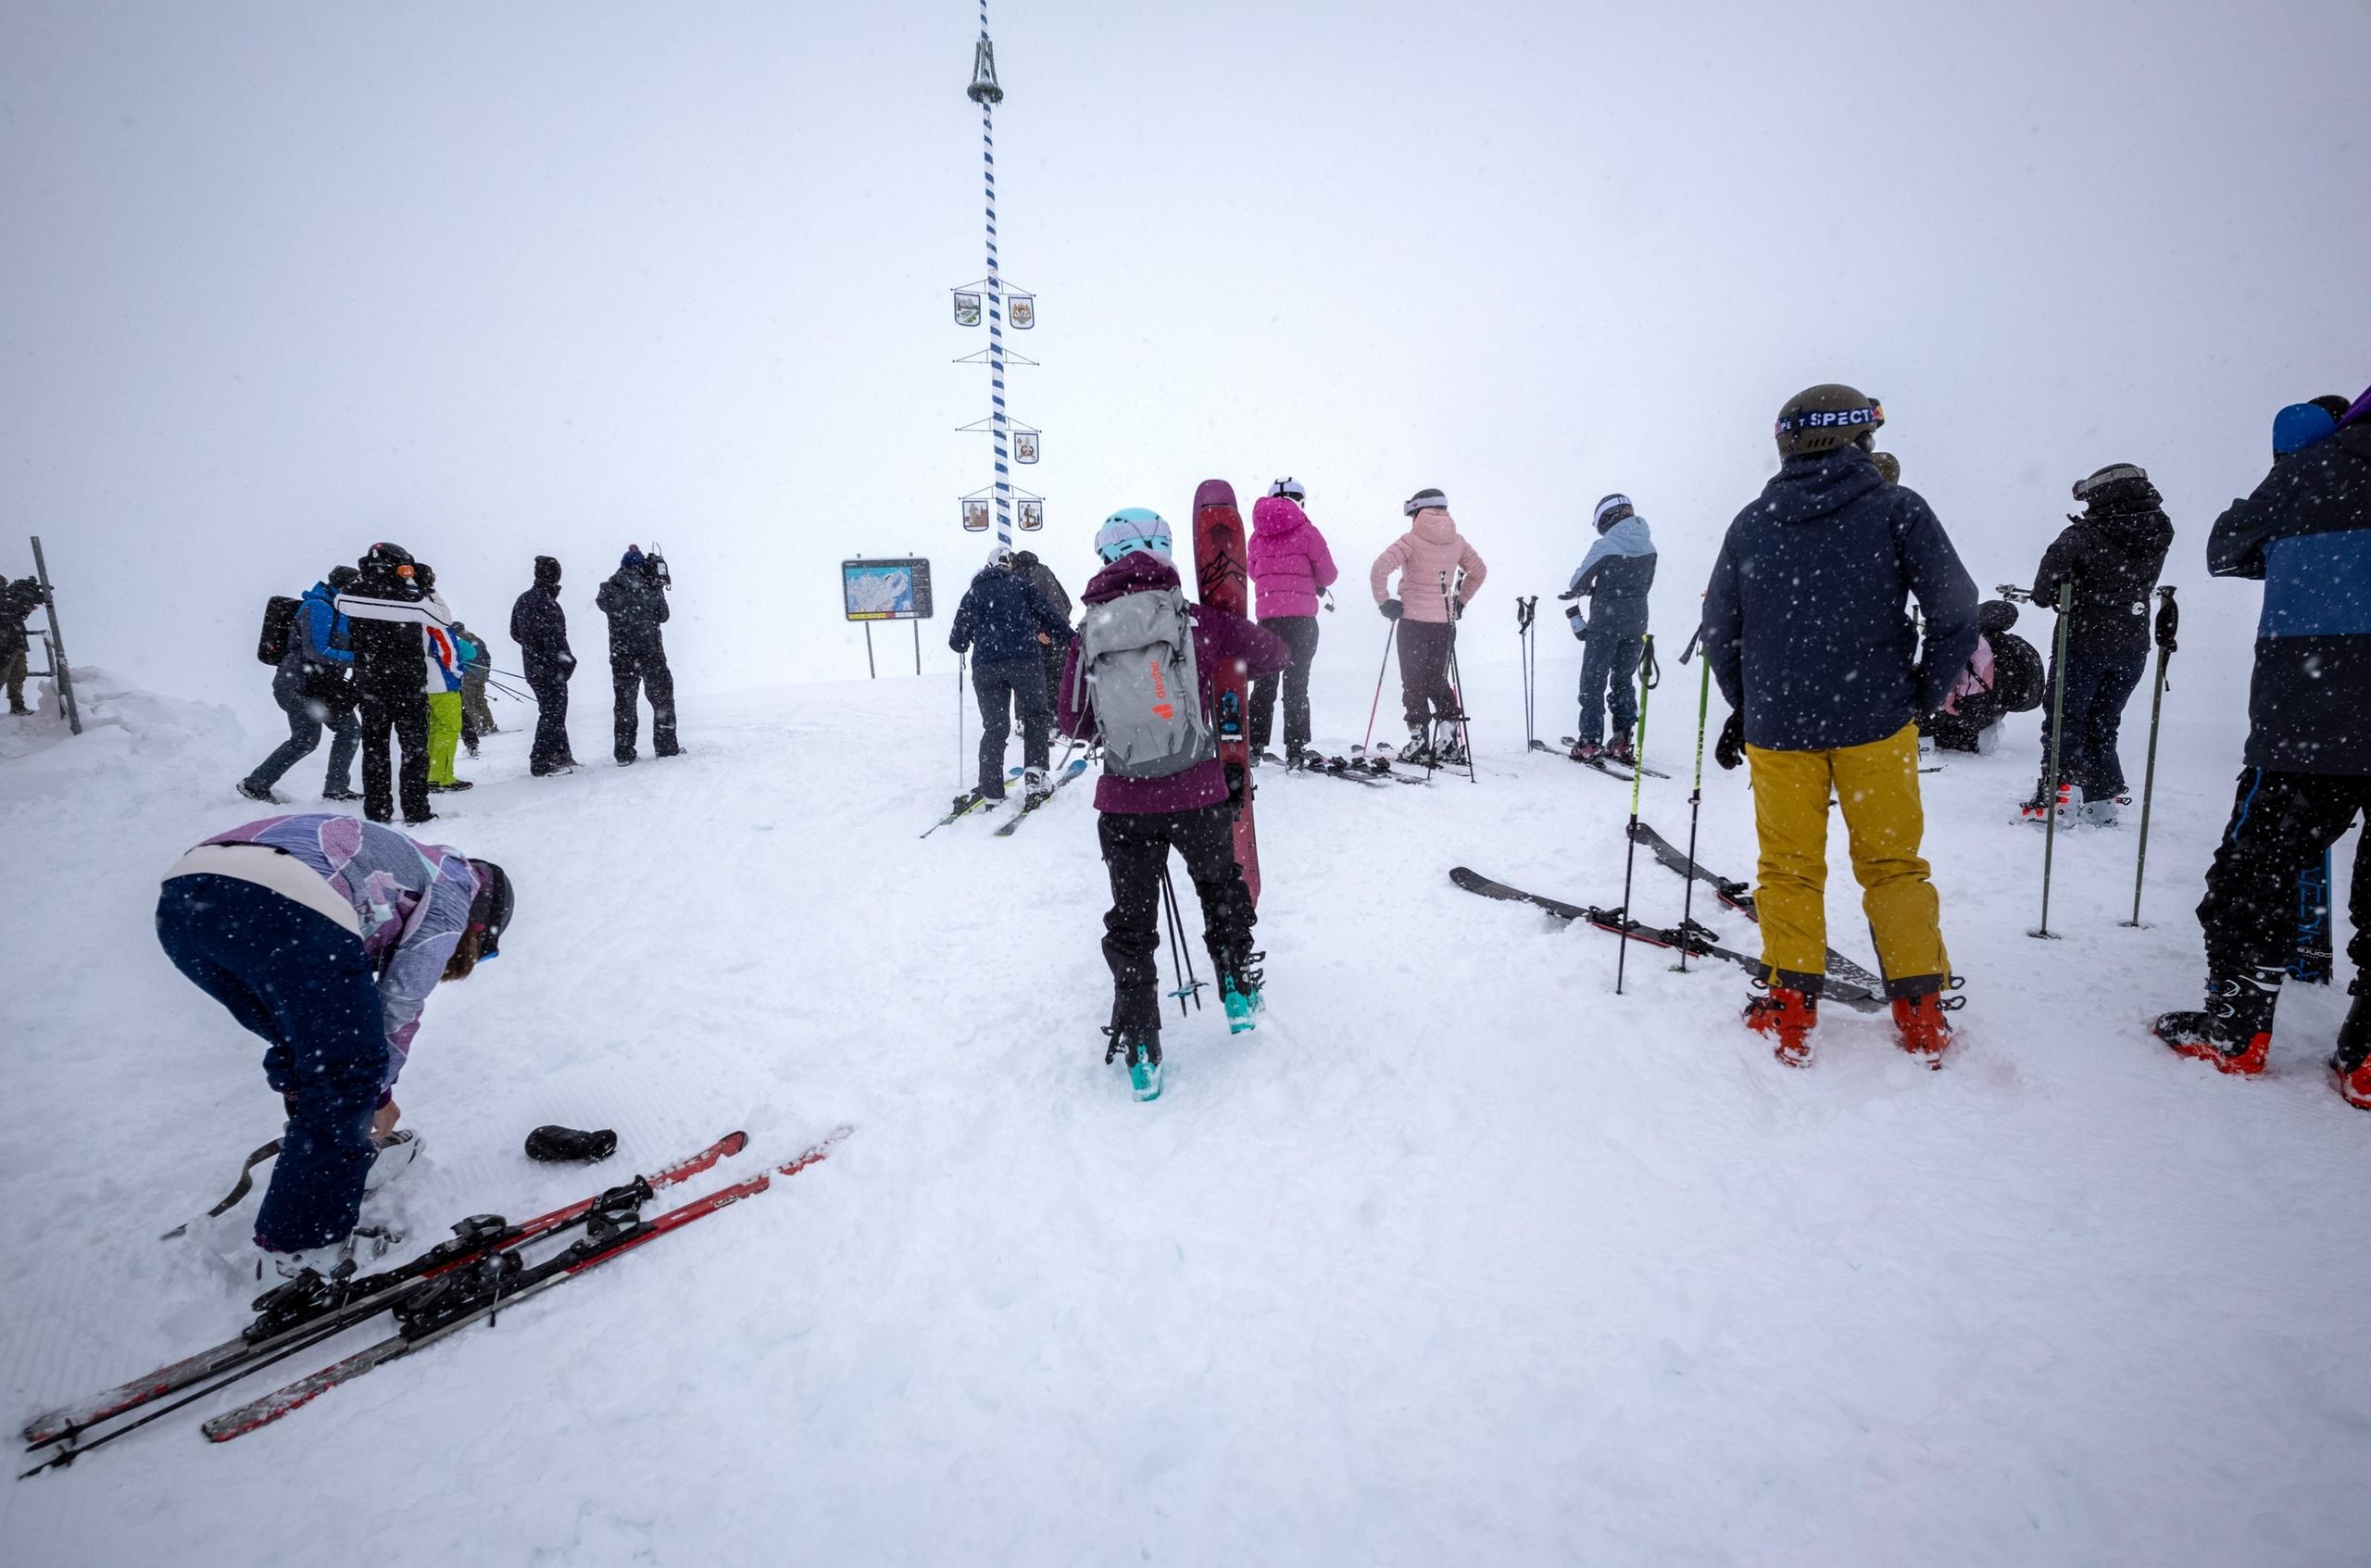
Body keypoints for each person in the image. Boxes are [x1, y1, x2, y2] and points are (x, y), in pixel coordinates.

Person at [1701, 383, 1979, 1069]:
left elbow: (1719, 629)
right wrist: (1920, 694)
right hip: (1876, 722)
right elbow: (1955, 609)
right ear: (1857, 437)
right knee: (1892, 865)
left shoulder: (1753, 521)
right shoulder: (1897, 509)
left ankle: (1789, 1008)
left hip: (1780, 727)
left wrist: (1750, 702)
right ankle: (1920, 1012)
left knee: (1788, 867)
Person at [155, 812, 512, 1275]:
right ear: (481, 925)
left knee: (310, 1050)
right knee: (348, 1074)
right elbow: (399, 1002)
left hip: (186, 902)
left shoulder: (418, 863)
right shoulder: (455, 889)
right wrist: (376, 1095)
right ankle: (303, 1245)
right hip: (285, 899)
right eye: (484, 950)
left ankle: (322, 1170)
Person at [2154, 383, 2371, 1109]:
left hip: (2311, 715)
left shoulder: (2311, 469)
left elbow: (2227, 547)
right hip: (2317, 710)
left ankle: (2239, 1028)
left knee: (2253, 871)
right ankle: (2369, 1057)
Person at [1055, 508, 1290, 1100]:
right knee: (1219, 887)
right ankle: (1237, 989)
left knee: (1132, 924)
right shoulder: (1195, 619)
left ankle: (1142, 1048)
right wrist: (1207, 673)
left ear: (1106, 559)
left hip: (1125, 803)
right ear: (1164, 551)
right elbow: (1274, 654)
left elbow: (1071, 720)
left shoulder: (1090, 631)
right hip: (1198, 793)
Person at [2016, 464, 2174, 827]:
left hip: (2083, 640)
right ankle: (2100, 802)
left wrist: (2072, 585)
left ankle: (2059, 799)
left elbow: (2043, 591)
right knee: (2103, 724)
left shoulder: (2082, 535)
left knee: (2064, 722)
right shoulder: (2161, 528)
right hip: (2133, 641)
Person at [1369, 487, 1487, 765]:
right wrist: (1460, 601)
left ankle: (1418, 740)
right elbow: (1479, 572)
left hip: (1412, 623)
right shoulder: (1458, 542)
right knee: (1437, 679)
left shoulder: (1410, 540)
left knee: (1413, 682)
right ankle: (1448, 740)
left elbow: (1379, 568)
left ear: (1417, 512)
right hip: (1443, 624)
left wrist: (1385, 602)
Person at [948, 543, 1072, 806]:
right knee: (1035, 716)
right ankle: (1035, 776)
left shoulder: (973, 593)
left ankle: (991, 790)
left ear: (988, 566)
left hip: (986, 667)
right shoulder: (1022, 586)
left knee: (995, 726)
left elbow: (957, 641)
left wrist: (972, 636)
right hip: (1025, 661)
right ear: (1009, 566)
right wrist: (1072, 639)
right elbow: (1050, 616)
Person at [335, 544, 447, 826]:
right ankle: (416, 809)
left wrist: (370, 577)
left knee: (375, 750)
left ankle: (377, 811)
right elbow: (442, 618)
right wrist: (425, 586)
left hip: (371, 685)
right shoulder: (410, 599)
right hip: (408, 685)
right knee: (414, 750)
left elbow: (341, 603)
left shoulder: (352, 593)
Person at [239, 566, 363, 805]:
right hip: (296, 685)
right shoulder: (318, 607)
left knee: (349, 731)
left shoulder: (343, 611)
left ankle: (336, 789)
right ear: (345, 587)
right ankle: (255, 785)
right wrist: (358, 659)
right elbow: (316, 650)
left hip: (324, 687)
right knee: (305, 739)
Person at [1247, 480, 1338, 766]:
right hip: (1302, 622)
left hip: (1268, 621)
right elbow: (1329, 574)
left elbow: (1254, 572)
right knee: (1296, 685)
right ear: (1300, 501)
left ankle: (1253, 747)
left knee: (1264, 684)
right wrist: (1308, 579)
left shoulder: (1257, 536)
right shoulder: (1307, 531)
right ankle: (1295, 750)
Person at [1561, 494, 1658, 764]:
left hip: (1605, 625)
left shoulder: (1605, 546)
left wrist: (1596, 590)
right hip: (1637, 623)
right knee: (1623, 680)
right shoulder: (1649, 546)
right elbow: (1644, 586)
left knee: (1593, 683)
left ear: (1606, 518)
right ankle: (1622, 742)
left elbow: (1576, 583)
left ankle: (1590, 743)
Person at [1922, 598, 2044, 754]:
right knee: (1957, 731)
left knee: (1912, 697)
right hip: (1990, 712)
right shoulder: (2002, 644)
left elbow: (1946, 682)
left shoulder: (1967, 641)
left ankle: (1924, 747)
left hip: (1964, 712)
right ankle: (1977, 738)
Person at [594, 546, 679, 766]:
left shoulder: (610, 589)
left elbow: (601, 602)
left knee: (625, 704)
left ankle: (624, 753)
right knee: (662, 700)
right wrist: (657, 587)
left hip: (622, 655)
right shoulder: (651, 587)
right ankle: (666, 748)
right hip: (651, 653)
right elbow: (664, 616)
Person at [510, 555, 578, 777]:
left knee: (552, 711)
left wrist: (532, 649)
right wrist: (565, 662)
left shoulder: (523, 600)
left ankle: (561, 755)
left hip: (534, 667)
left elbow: (515, 632)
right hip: (550, 669)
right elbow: (556, 640)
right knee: (552, 713)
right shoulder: (548, 604)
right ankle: (541, 760)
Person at [417, 565, 470, 796]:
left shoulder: (409, 602)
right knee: (449, 728)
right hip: (442, 680)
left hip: (425, 679)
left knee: (436, 728)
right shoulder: (431, 608)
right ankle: (442, 777)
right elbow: (446, 645)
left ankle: (431, 773)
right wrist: (456, 671)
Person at [1011, 548, 1073, 710]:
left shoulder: (1018, 576)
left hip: (1037, 641)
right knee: (1058, 684)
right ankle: (1056, 719)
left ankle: (1025, 719)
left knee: (1028, 684)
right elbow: (1066, 603)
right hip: (1059, 635)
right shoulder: (1045, 570)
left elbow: (1023, 611)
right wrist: (1057, 626)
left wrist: (1039, 630)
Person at [452, 621, 496, 757]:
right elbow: (487, 657)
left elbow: (456, 660)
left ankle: (476, 727)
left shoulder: (459, 642)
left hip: (468, 673)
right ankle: (489, 724)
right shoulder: (477, 639)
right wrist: (487, 672)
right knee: (480, 699)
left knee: (468, 702)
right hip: (481, 672)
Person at [2, 574, 42, 716]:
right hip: (4, 646)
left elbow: (16, 616)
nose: (4, 589)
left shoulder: (9, 602)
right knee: (2, 675)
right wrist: (23, 601)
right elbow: (7, 613)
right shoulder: (7, 604)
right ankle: (17, 706)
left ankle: (17, 706)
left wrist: (26, 608)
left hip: (16, 643)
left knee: (18, 675)